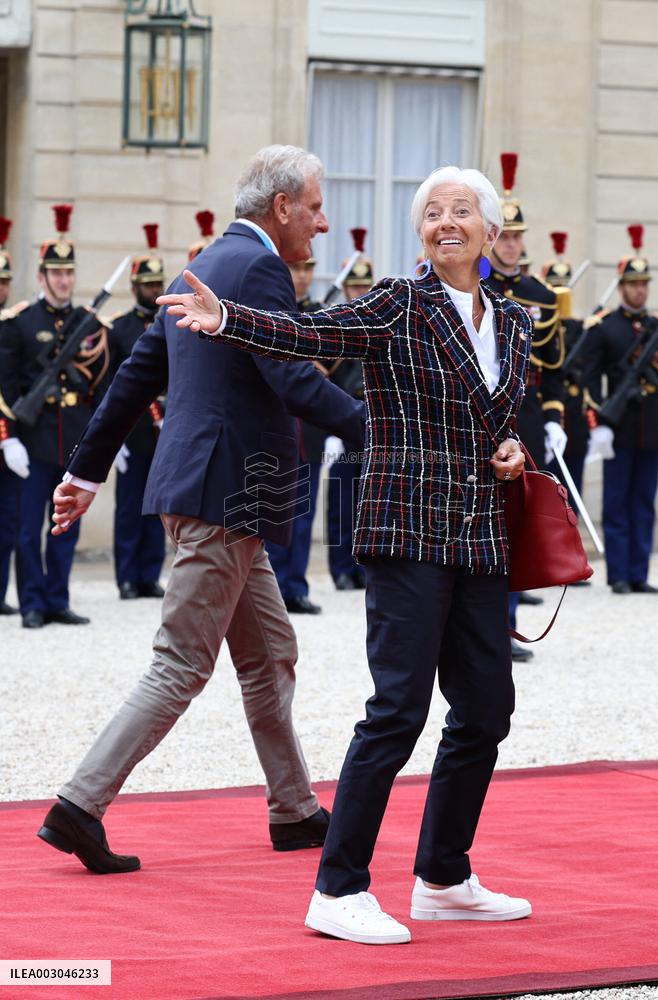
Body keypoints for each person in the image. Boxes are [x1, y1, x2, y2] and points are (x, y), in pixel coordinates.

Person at [159, 164, 533, 945]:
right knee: (398, 709)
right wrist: (228, 316)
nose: (446, 222)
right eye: (433, 213)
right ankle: (337, 888)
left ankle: (442, 875)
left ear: (491, 234)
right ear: (422, 234)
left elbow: (498, 416)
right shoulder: (399, 303)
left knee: (487, 711)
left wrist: (510, 447)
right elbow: (310, 333)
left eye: (463, 211)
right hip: (406, 532)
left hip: (479, 535)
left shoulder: (517, 321)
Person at [37, 145, 365, 875]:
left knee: (269, 653)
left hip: (223, 497)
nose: (321, 221)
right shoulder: (258, 268)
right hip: (225, 496)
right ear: (282, 208)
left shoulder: (209, 263)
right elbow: (290, 378)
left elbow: (136, 374)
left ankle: (294, 809)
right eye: (313, 207)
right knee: (181, 663)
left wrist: (85, 471)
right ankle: (78, 806)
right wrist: (381, 428)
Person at [0, 204, 109, 629]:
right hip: (34, 440)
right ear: (43, 276)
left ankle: (57, 599)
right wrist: (8, 438)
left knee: (64, 527)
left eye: (69, 273)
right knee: (29, 529)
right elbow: (7, 386)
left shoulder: (87, 323)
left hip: (73, 440)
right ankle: (31, 602)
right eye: (56, 273)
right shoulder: (20, 324)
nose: (64, 280)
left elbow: (99, 384)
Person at [485, 153, 566, 661]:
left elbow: (554, 366)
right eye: (505, 236)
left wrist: (556, 418)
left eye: (518, 237)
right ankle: (481, 624)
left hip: (530, 411)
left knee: (518, 519)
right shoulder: (475, 286)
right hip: (489, 410)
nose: (512, 245)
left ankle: (508, 625)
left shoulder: (541, 295)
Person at [583, 224, 658, 594]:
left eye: (644, 284)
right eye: (634, 284)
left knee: (644, 502)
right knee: (617, 501)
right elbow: (589, 377)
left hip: (650, 426)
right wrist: (596, 422)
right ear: (621, 286)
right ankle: (618, 573)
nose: (640, 289)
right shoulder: (605, 327)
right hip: (618, 425)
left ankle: (639, 572)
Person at [109, 224, 167, 600]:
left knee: (158, 507)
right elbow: (111, 386)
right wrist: (113, 439)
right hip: (133, 430)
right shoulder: (117, 328)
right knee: (129, 507)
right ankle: (127, 577)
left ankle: (150, 574)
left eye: (158, 282)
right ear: (134, 287)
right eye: (147, 284)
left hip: (164, 429)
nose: (155, 289)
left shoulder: (170, 321)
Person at [265, 256, 324, 614]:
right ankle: (271, 591)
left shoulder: (319, 315)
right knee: (273, 513)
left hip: (310, 429)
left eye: (307, 270)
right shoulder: (273, 309)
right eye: (296, 269)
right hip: (277, 425)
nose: (302, 277)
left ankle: (296, 586)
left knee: (304, 513)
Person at [327, 228, 370, 592]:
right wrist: (328, 428)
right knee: (342, 503)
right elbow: (321, 379)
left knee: (368, 503)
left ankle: (362, 566)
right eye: (355, 288)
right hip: (341, 423)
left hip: (372, 423)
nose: (360, 293)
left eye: (365, 287)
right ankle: (340, 567)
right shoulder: (335, 325)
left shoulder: (374, 325)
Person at [541, 232, 589, 499]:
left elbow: (586, 376)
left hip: (574, 423)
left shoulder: (579, 329)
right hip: (546, 421)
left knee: (573, 497)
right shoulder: (540, 328)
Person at [0, 216, 27, 615]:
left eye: (6, 280)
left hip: (10, 444)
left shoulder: (13, 326)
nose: (2, 288)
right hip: (4, 439)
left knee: (7, 522)